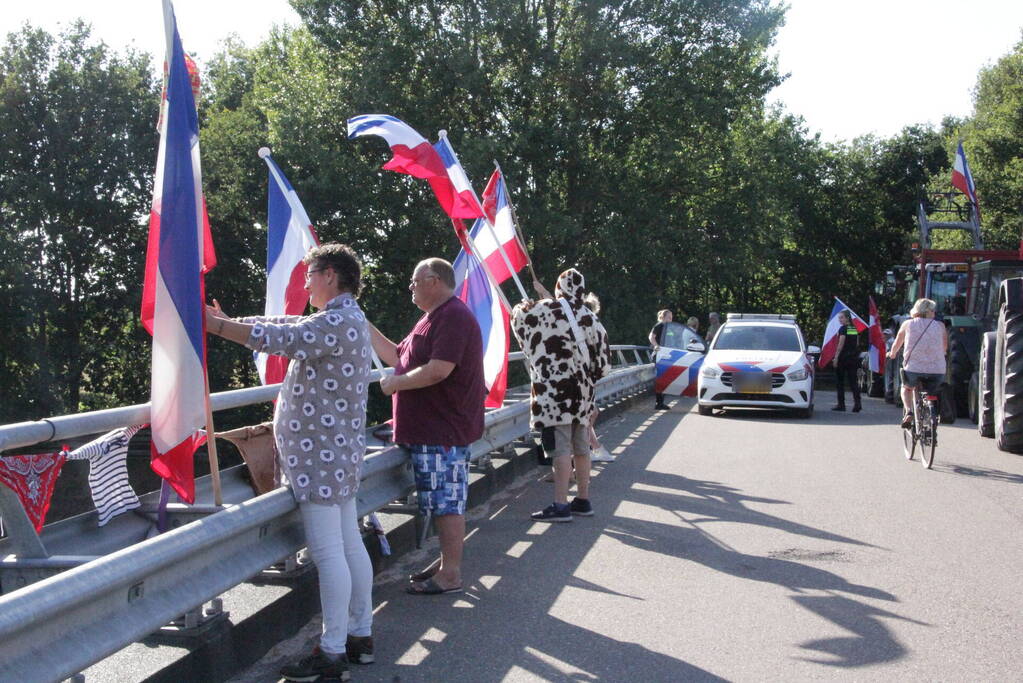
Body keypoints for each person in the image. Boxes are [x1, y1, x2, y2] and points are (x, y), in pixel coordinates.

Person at [206, 243, 374, 681]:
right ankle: (360, 635)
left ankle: (333, 651)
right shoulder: (346, 318)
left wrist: (219, 329)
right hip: (335, 455)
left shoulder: (335, 321)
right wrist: (228, 322)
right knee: (349, 546)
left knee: (329, 553)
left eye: (310, 274)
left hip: (320, 458)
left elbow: (282, 338)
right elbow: (284, 325)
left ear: (331, 276)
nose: (305, 282)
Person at [369, 258, 484, 595]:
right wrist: (365, 327)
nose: (411, 288)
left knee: (447, 503)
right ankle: (447, 563)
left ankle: (451, 574)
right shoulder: (431, 318)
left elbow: (438, 370)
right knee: (441, 500)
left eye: (414, 282)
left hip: (442, 431)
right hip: (432, 431)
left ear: (433, 281)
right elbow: (398, 357)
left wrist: (395, 385)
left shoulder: (453, 317)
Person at [512, 268, 611, 522]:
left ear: (559, 288)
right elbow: (604, 365)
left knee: (560, 450)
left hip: (554, 397)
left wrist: (524, 305)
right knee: (582, 447)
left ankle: (560, 504)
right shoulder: (591, 318)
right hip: (583, 396)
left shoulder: (545, 310)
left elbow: (519, 321)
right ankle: (583, 500)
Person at [887, 298, 947, 428]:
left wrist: (892, 354)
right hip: (937, 371)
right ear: (928, 311)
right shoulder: (940, 326)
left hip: (913, 369)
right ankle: (931, 412)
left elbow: (897, 343)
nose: (934, 313)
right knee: (931, 391)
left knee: (906, 388)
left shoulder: (907, 324)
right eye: (933, 310)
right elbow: (944, 349)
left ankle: (908, 411)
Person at [583, 292, 614, 463]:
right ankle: (593, 448)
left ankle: (593, 448)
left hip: (586, 377)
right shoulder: (586, 327)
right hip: (582, 378)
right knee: (590, 413)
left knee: (590, 413)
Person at [831, 310, 862, 412]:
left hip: (843, 358)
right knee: (853, 382)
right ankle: (857, 404)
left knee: (840, 382)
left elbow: (840, 344)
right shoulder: (854, 328)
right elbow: (856, 344)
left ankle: (841, 405)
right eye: (839, 318)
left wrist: (836, 357)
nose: (840, 320)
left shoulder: (843, 329)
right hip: (853, 358)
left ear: (847, 318)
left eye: (841, 318)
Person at [648, 309, 672, 410]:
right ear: (663, 317)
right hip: (659, 354)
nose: (671, 319)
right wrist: (656, 346)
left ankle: (661, 402)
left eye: (671, 317)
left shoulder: (668, 328)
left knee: (665, 378)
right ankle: (659, 402)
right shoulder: (659, 325)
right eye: (669, 317)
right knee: (661, 378)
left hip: (666, 355)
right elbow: (651, 337)